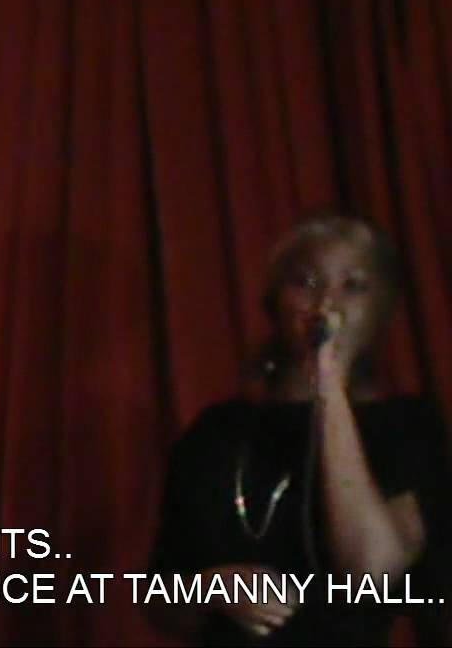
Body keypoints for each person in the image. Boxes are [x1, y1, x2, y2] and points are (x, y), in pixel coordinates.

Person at [145, 213, 450, 646]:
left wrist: (328, 384)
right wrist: (211, 586)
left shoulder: (406, 426)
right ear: (274, 301)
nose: (327, 303)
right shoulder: (217, 432)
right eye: (306, 282)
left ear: (382, 309)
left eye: (354, 286)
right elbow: (159, 601)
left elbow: (372, 568)